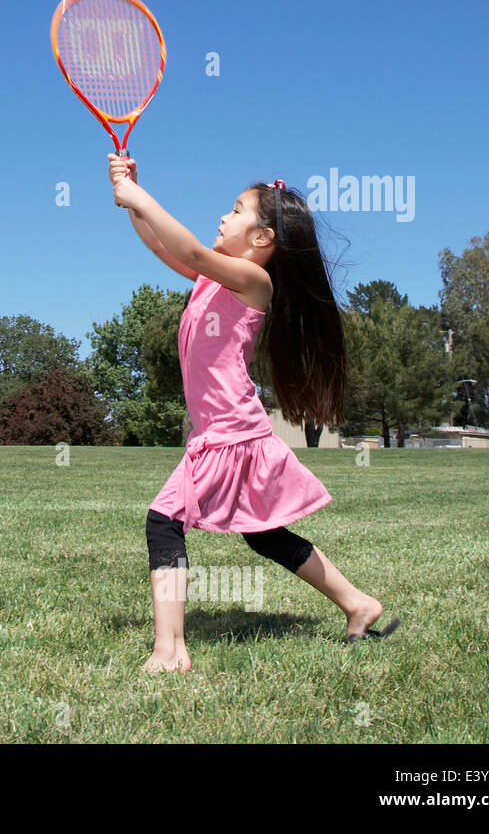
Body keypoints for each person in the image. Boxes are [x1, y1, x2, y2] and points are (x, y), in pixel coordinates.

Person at [107, 154, 400, 672]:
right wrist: (133, 194)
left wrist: (139, 199)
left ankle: (170, 651)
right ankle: (359, 605)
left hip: (231, 434)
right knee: (264, 534)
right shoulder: (210, 278)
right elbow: (165, 244)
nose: (223, 216)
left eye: (236, 210)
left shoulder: (252, 283)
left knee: (163, 522)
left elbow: (192, 248)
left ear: (263, 238)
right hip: (226, 433)